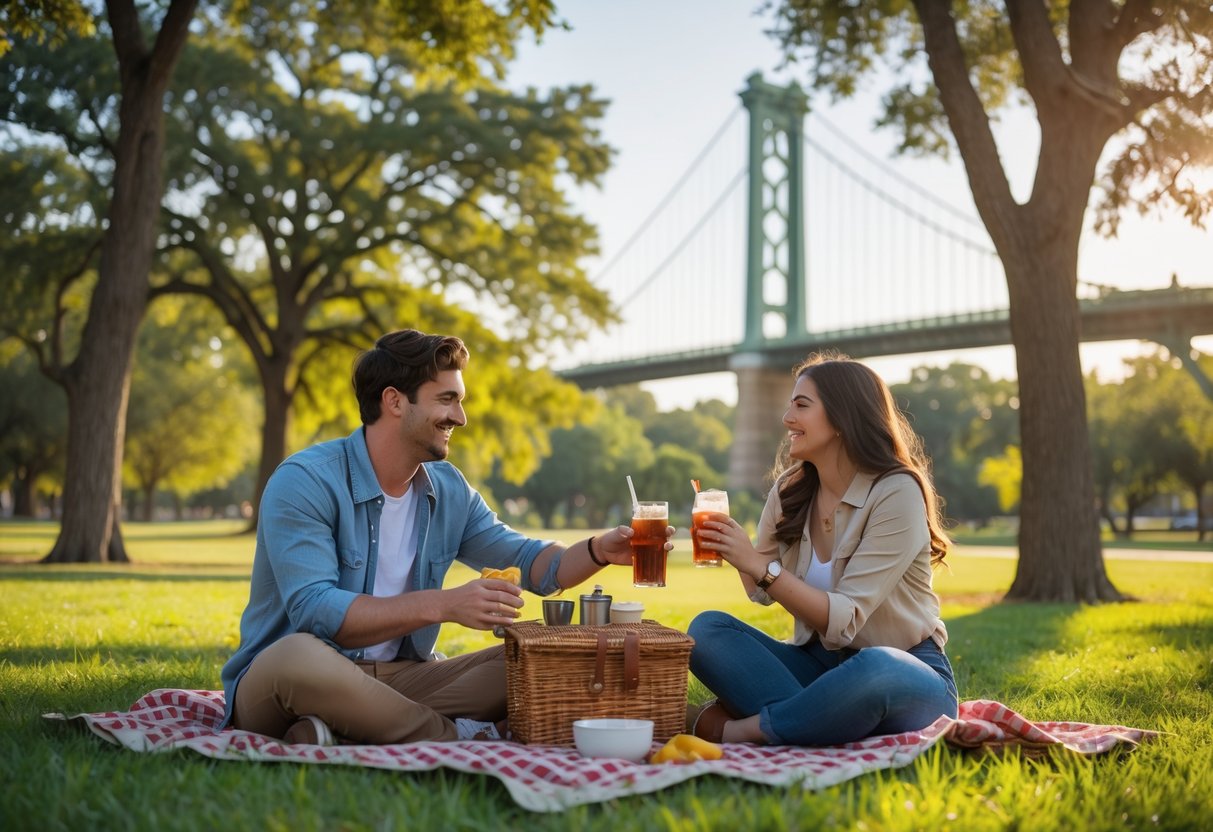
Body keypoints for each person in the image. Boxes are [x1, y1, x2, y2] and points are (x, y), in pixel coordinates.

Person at [220, 329, 670, 745]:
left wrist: (597, 550)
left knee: (548, 654)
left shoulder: (448, 489)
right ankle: (460, 738)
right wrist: (445, 604)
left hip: (405, 679)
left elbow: (534, 563)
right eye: (447, 399)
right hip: (291, 678)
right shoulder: (305, 481)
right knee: (296, 656)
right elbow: (316, 611)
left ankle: (348, 729)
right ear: (395, 401)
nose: (461, 416)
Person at [686, 354, 958, 746]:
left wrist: (758, 566)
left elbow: (844, 619)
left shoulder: (896, 491)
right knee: (708, 630)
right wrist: (735, 550)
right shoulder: (790, 489)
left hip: (906, 668)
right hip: (817, 664)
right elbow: (759, 590)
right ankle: (822, 717)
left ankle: (741, 730)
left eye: (801, 405)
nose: (787, 418)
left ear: (842, 418)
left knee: (875, 667)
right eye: (788, 404)